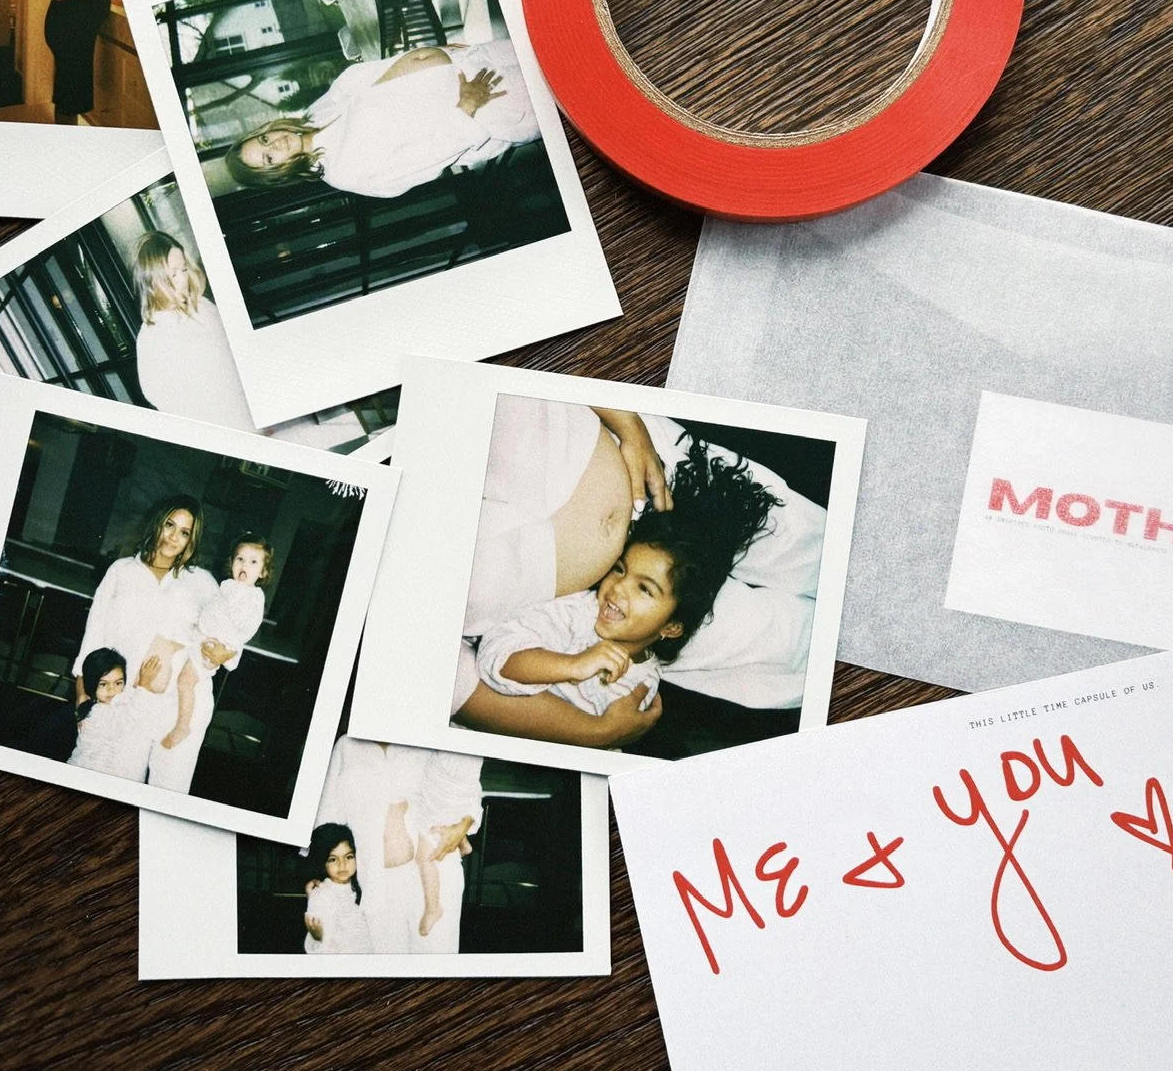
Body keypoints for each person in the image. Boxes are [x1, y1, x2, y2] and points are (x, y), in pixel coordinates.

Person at [457, 400, 827, 719]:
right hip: (624, 616)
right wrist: (592, 730)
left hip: (657, 475)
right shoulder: (593, 636)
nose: (619, 581)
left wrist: (627, 421)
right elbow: (466, 683)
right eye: (621, 573)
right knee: (797, 647)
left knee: (822, 545)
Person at [459, 438, 776, 750]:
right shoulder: (576, 612)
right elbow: (496, 658)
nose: (619, 588)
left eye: (644, 589)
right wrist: (573, 664)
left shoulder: (645, 681)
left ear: (671, 627)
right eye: (620, 569)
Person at [223, 40, 541, 201]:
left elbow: (378, 79)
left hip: (474, 61)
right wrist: (468, 105)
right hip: (491, 101)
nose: (276, 143)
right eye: (269, 157)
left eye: (264, 139)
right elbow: (425, 160)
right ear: (276, 174)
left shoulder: (318, 114)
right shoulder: (344, 173)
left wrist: (439, 50)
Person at [72, 497, 233, 790]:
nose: (174, 536)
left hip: (176, 710)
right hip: (123, 701)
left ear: (191, 540)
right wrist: (82, 698)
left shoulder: (201, 582)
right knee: (108, 781)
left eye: (185, 532)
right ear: (157, 523)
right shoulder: (122, 571)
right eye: (170, 525)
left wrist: (225, 654)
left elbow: (232, 631)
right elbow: (92, 636)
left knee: (163, 796)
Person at [312, 740, 483, 953]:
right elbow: (328, 819)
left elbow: (468, 791)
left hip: (434, 871)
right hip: (377, 881)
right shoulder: (347, 746)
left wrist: (462, 828)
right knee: (387, 968)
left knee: (434, 965)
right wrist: (320, 877)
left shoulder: (423, 738)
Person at [153, 536, 270, 767]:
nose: (244, 566)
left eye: (253, 562)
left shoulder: (254, 597)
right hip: (199, 639)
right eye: (240, 559)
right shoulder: (226, 585)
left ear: (263, 572)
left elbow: (245, 628)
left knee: (186, 682)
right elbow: (209, 610)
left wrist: (227, 647)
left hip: (213, 646)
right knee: (179, 677)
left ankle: (182, 726)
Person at [132, 232, 256, 430]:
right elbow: (164, 400)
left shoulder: (202, 306)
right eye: (173, 274)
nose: (183, 279)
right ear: (153, 280)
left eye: (184, 269)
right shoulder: (153, 337)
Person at [66, 648, 172, 784]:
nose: (112, 689)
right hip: (84, 780)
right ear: (91, 685)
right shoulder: (93, 713)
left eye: (118, 683)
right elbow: (128, 719)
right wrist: (144, 686)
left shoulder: (117, 705)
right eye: (103, 684)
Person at [300, 825, 372, 955]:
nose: (342, 865)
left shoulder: (360, 885)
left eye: (348, 857)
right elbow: (320, 946)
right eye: (333, 859)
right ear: (322, 862)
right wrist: (318, 938)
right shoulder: (322, 894)